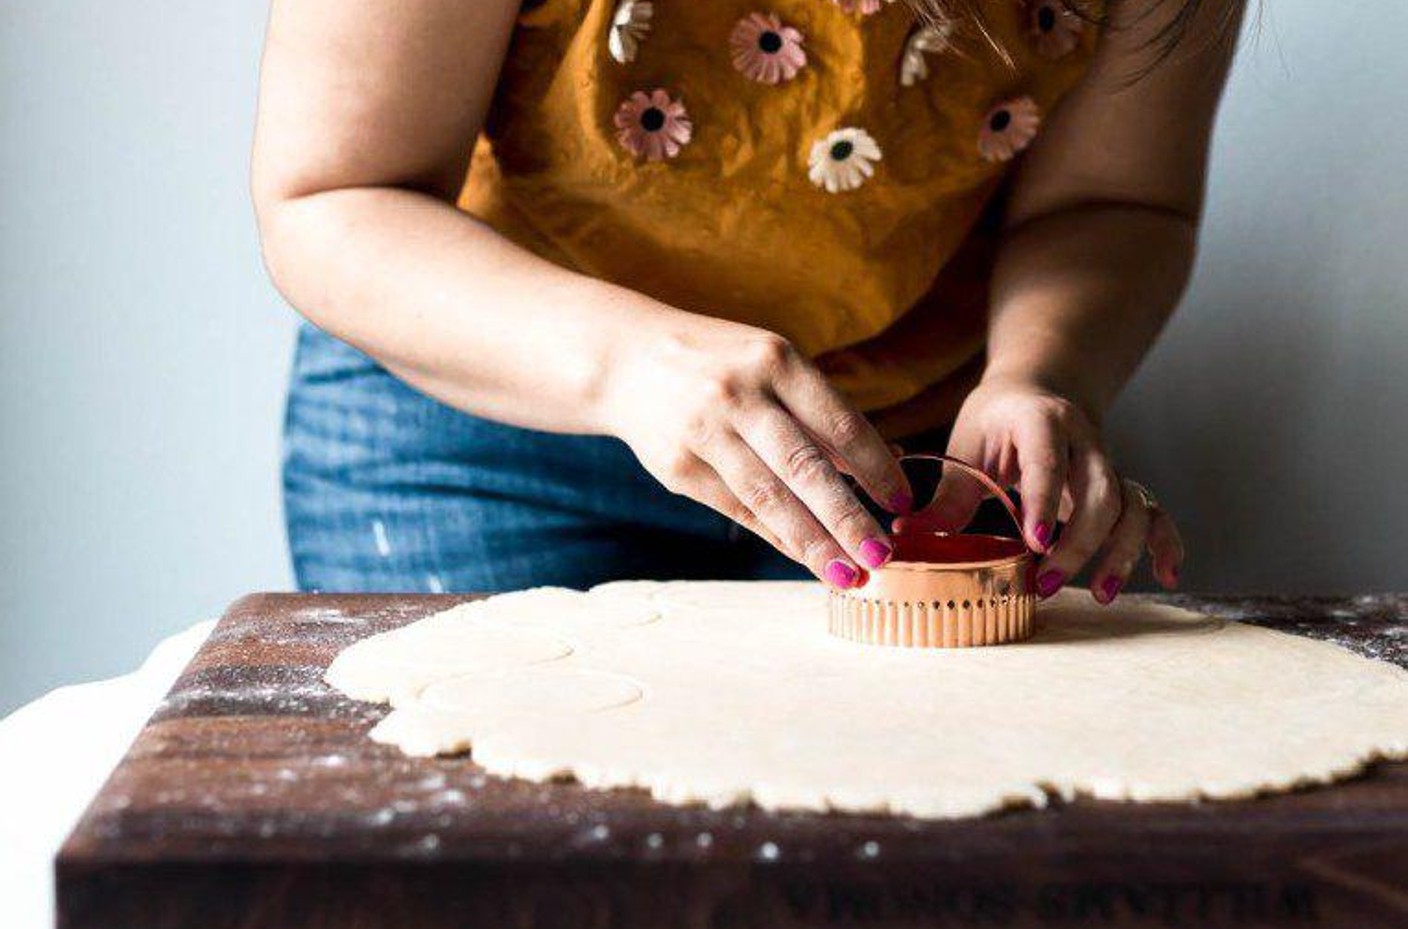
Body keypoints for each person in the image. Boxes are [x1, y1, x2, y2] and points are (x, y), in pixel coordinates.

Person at [253, 0, 1239, 601]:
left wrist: (1039, 371)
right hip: (480, 429)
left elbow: (1112, 202)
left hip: (901, 454)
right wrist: (628, 365)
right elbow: (336, 197)